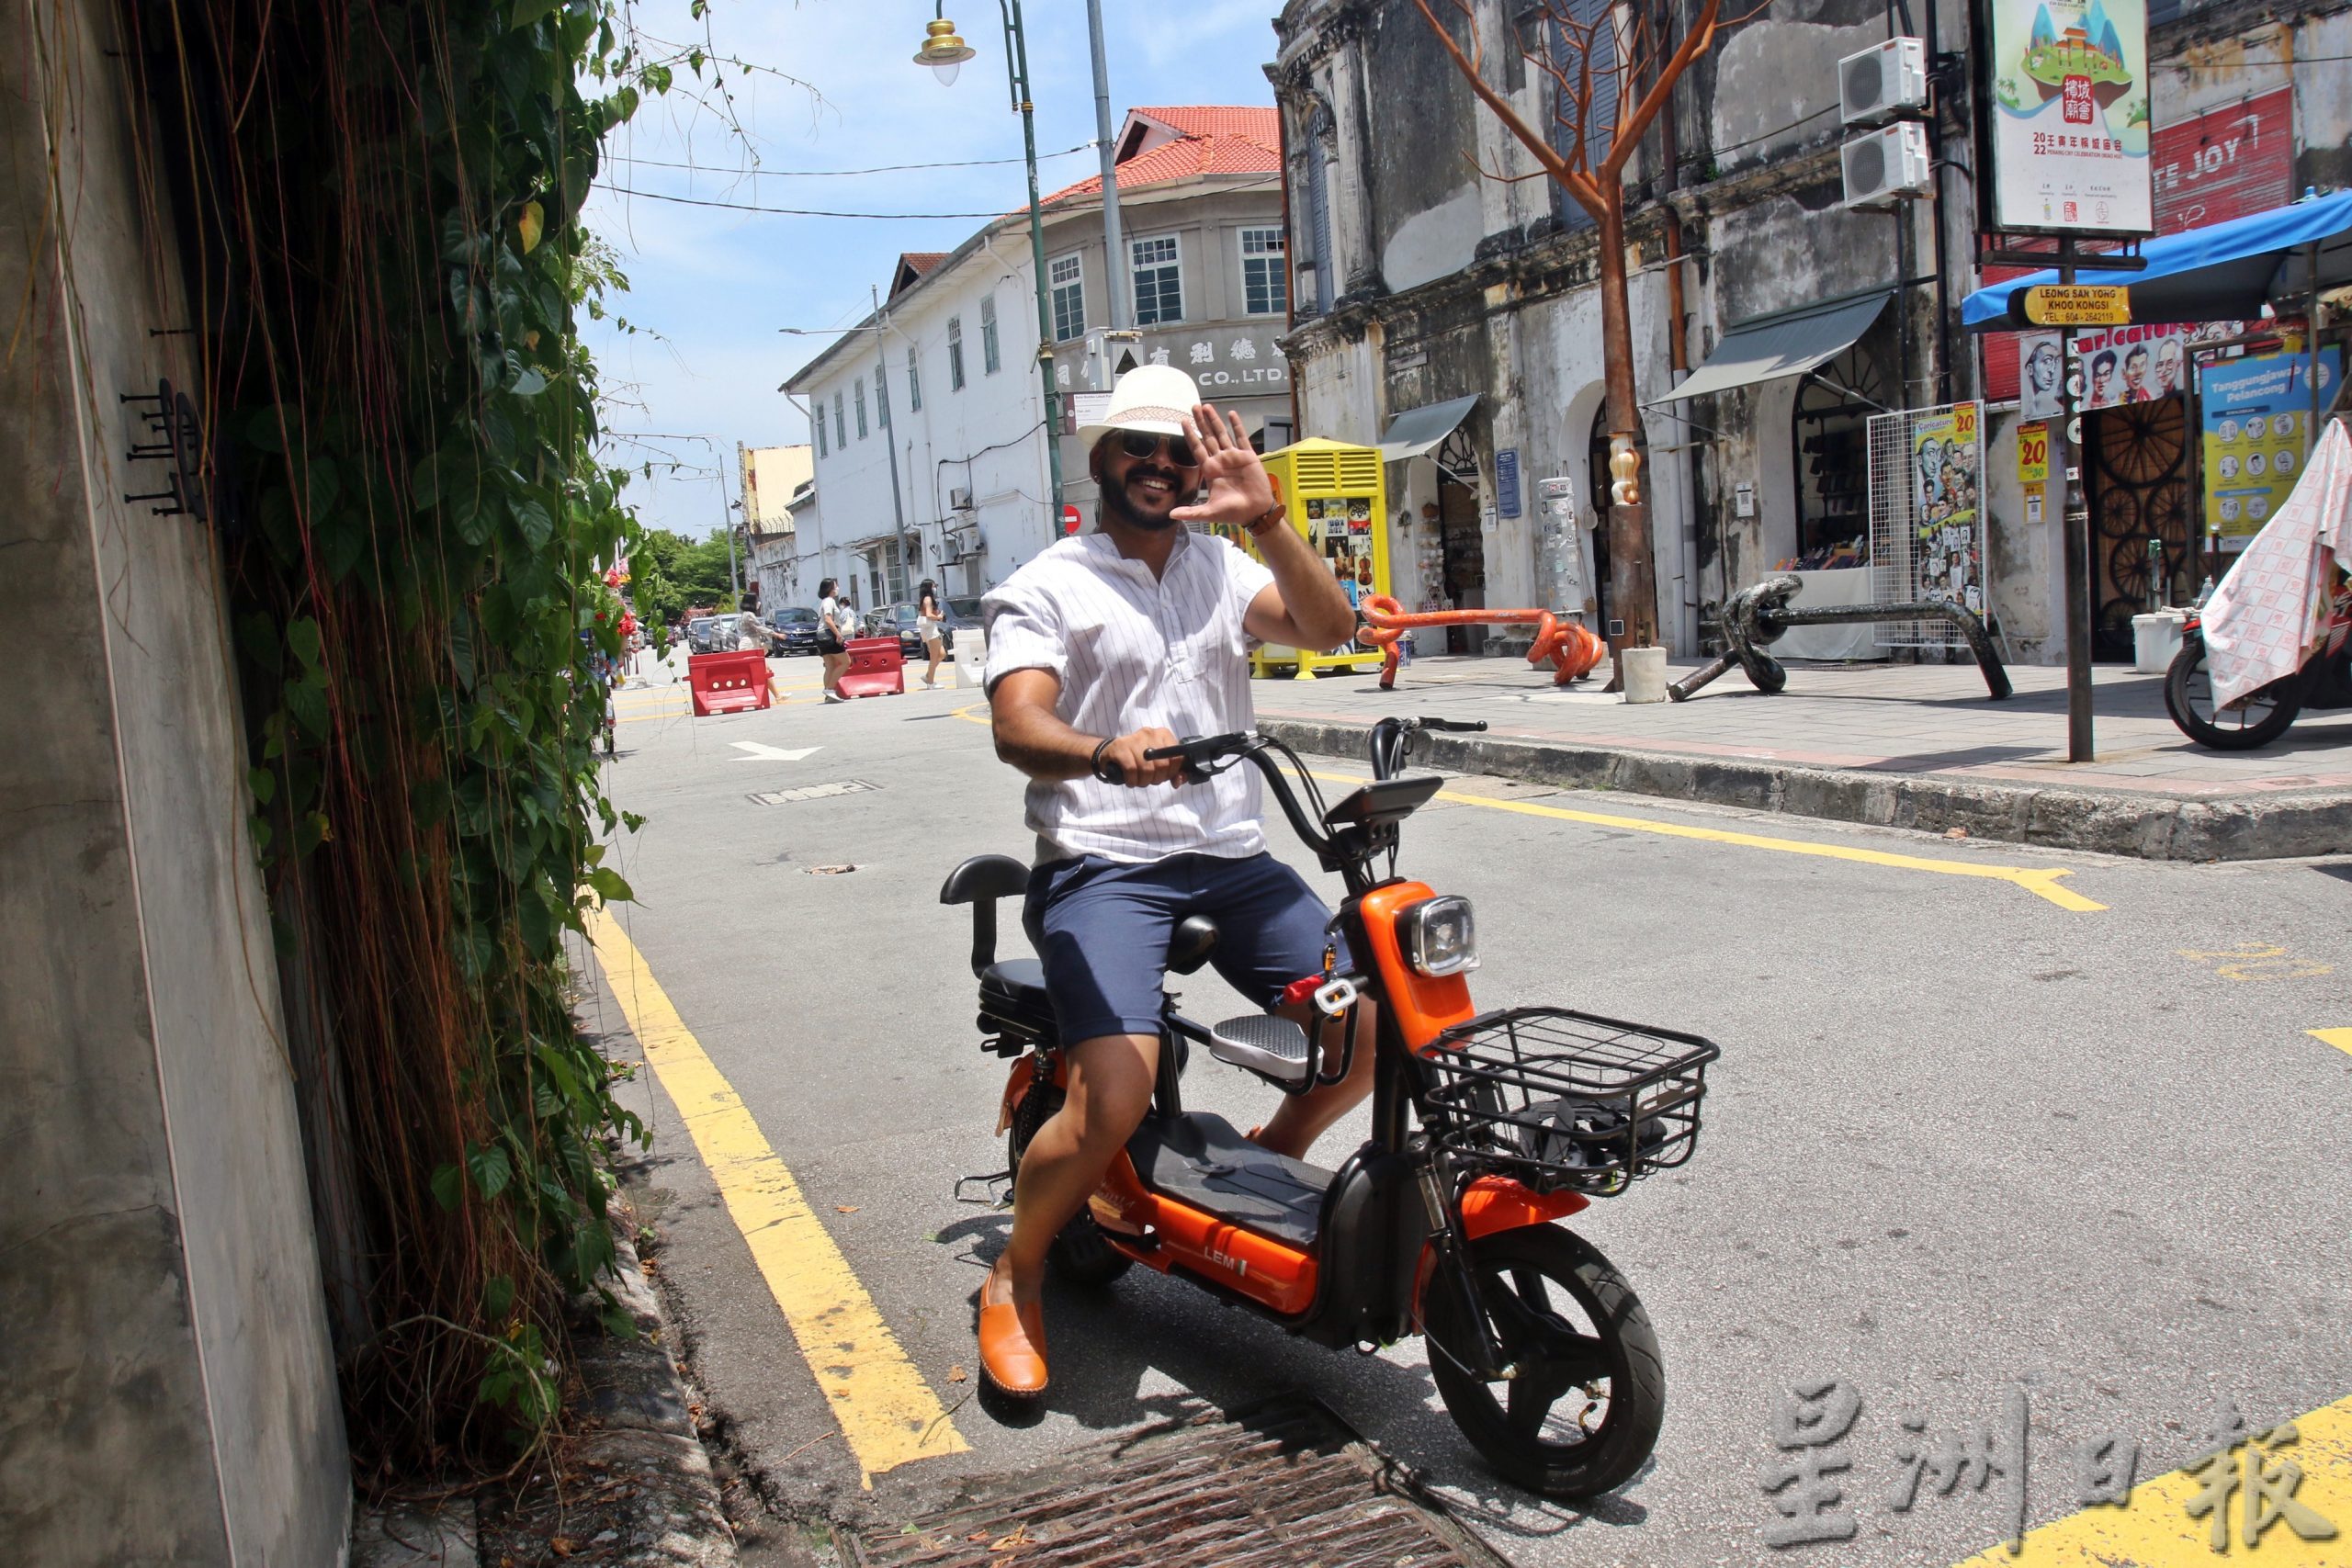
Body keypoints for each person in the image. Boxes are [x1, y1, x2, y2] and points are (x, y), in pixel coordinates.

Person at [975, 365, 1365, 1402]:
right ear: (1098, 458)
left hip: (1229, 858)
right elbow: (1019, 725)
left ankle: (1260, 1158)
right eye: (1135, 447)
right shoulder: (1046, 582)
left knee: (1372, 1029)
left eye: (1177, 449)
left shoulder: (1224, 567)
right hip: (1103, 862)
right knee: (1115, 1097)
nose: (1158, 465)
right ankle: (1015, 1277)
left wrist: (1271, 521)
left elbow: (1333, 630)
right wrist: (1102, 751)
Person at [816, 577, 853, 702]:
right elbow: (828, 619)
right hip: (828, 635)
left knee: (830, 666)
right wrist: (838, 634)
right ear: (830, 588)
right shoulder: (829, 601)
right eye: (835, 586)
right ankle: (829, 689)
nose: (837, 588)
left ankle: (828, 695)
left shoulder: (826, 601)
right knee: (846, 662)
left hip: (821, 635)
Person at [916, 578, 947, 688]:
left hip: (929, 630)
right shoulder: (928, 599)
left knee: (942, 654)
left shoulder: (925, 599)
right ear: (929, 587)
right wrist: (938, 617)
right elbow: (929, 615)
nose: (935, 588)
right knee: (934, 657)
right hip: (930, 631)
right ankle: (930, 683)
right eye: (934, 586)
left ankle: (928, 676)